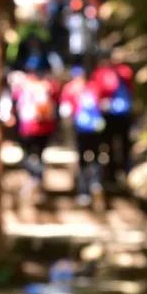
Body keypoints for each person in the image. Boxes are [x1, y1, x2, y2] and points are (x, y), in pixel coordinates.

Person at [9, 58, 59, 198]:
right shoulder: (47, 85)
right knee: (38, 155)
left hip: (29, 127)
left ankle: (36, 177)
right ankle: (37, 179)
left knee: (26, 155)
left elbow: (15, 100)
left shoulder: (23, 85)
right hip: (44, 127)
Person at [60, 66, 106, 207]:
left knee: (84, 159)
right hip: (94, 128)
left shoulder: (72, 89)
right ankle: (94, 184)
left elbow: (65, 111)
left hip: (82, 129)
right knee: (94, 157)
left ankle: (86, 190)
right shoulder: (91, 88)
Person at [92, 56, 134, 187]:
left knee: (123, 144)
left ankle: (123, 171)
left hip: (122, 115)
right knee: (107, 145)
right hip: (108, 116)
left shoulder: (123, 71)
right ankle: (109, 174)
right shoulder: (101, 73)